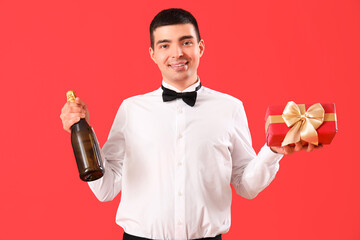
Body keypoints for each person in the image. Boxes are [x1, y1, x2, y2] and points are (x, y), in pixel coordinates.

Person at [60, 8, 321, 240]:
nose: (177, 53)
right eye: (164, 45)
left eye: (186, 42)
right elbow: (105, 189)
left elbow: (246, 186)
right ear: (152, 53)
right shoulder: (131, 109)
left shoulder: (230, 108)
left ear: (200, 47)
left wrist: (273, 151)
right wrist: (83, 131)